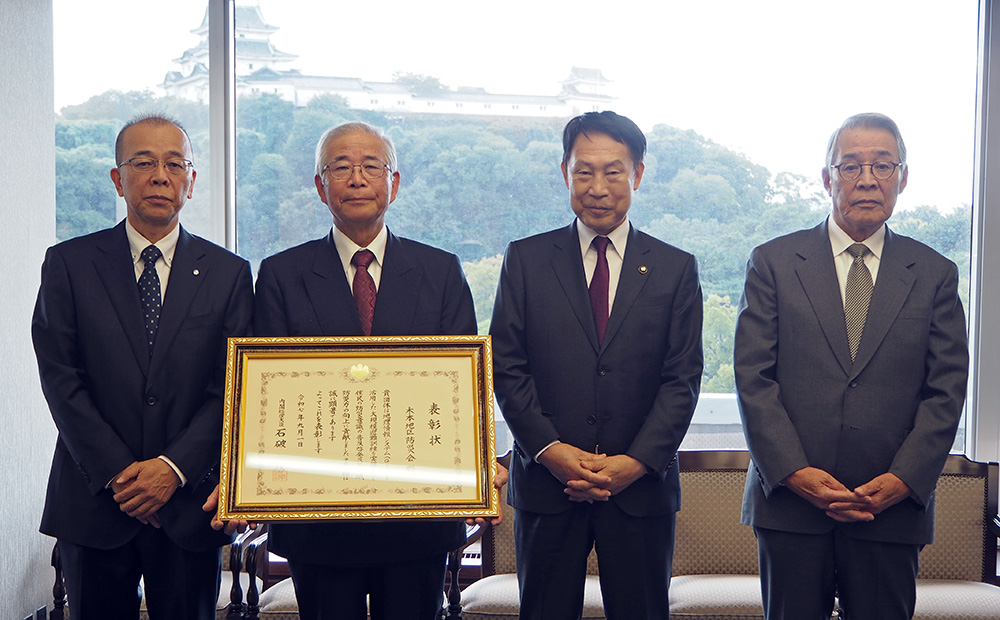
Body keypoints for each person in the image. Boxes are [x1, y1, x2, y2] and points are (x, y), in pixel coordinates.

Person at [734, 112, 969, 620]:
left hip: (888, 508)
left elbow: (946, 391)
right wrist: (795, 472)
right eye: (850, 166)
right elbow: (754, 380)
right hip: (791, 506)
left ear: (902, 177)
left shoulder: (934, 274)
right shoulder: (773, 262)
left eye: (883, 166)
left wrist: (905, 479)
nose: (867, 179)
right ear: (826, 178)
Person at [252, 121, 482, 620]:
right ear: (320, 187)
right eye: (341, 167)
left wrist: (476, 469)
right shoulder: (281, 275)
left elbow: (465, 391)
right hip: (319, 520)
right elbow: (266, 401)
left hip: (416, 517)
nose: (357, 179)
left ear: (393, 183)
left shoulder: (440, 272)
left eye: (370, 167)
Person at [31, 115, 254, 620]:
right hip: (93, 501)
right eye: (144, 162)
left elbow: (233, 388)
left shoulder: (229, 274)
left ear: (191, 182)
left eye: (175, 164)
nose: (160, 176)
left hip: (187, 503)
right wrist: (121, 475)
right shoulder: (68, 263)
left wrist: (171, 471)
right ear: (118, 178)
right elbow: (61, 379)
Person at [489, 110, 704, 620]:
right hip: (547, 484)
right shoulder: (525, 259)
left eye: (613, 171)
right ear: (565, 173)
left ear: (638, 174)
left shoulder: (675, 268)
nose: (598, 187)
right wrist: (550, 450)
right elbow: (507, 367)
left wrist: (635, 462)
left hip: (640, 489)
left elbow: (682, 379)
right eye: (584, 171)